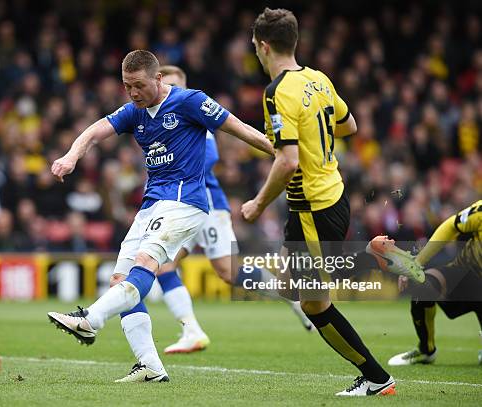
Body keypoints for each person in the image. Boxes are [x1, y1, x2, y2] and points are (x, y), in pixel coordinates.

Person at [47, 50, 274, 383]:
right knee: (119, 279)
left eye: (138, 85)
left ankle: (90, 319)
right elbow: (95, 131)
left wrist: (282, 152)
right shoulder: (133, 112)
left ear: (157, 79)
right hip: (152, 204)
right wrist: (71, 155)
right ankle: (150, 365)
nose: (133, 93)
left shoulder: (190, 101)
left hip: (185, 201)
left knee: (147, 264)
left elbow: (239, 129)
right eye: (127, 86)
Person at [242, 8, 396, 396]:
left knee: (313, 302)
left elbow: (288, 161)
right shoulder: (318, 79)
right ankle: (366, 257)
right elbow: (350, 126)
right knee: (290, 283)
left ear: (263, 46)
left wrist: (258, 204)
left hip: (312, 208)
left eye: (256, 48)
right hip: (332, 194)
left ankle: (377, 377)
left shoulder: (276, 92)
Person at [154, 65, 313, 355]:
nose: (169, 92)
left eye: (175, 85)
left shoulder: (193, 112)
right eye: (166, 86)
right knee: (163, 265)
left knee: (228, 272)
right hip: (179, 206)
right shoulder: (158, 119)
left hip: (208, 206)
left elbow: (210, 156)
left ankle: (290, 295)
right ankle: (191, 330)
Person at [380, 200, 482, 366]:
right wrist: (417, 263)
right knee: (423, 286)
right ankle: (426, 350)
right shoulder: (480, 211)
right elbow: (450, 226)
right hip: (467, 275)